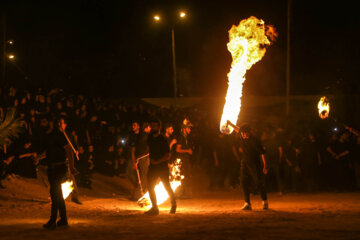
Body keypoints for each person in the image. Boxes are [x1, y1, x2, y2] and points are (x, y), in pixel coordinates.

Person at [228, 121, 268, 210]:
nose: (242, 134)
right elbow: (238, 130)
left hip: (255, 163)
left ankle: (265, 201)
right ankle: (247, 203)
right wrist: (230, 124)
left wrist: (265, 165)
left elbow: (263, 153)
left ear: (248, 133)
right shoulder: (242, 136)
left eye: (244, 133)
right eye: (241, 133)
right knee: (243, 182)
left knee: (259, 182)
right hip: (245, 163)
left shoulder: (255, 141)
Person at [41, 117, 72, 229]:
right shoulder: (50, 135)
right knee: (57, 193)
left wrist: (72, 167)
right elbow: (49, 151)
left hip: (58, 168)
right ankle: (63, 219)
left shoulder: (59, 135)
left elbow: (69, 150)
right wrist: (39, 157)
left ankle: (53, 220)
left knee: (55, 193)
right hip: (52, 167)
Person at [145, 119, 176, 216]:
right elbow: (148, 149)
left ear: (159, 127)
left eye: (155, 126)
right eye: (152, 126)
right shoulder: (150, 137)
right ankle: (155, 207)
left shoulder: (163, 139)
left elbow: (168, 155)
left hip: (162, 167)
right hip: (153, 167)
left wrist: (157, 161)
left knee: (167, 186)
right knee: (150, 186)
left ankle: (173, 205)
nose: (153, 128)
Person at [176, 119, 194, 198]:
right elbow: (178, 149)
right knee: (183, 176)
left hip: (185, 159)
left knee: (187, 176)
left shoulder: (186, 137)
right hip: (181, 160)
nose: (190, 130)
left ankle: (185, 193)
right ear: (184, 129)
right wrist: (187, 150)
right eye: (188, 128)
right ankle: (180, 194)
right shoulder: (181, 137)